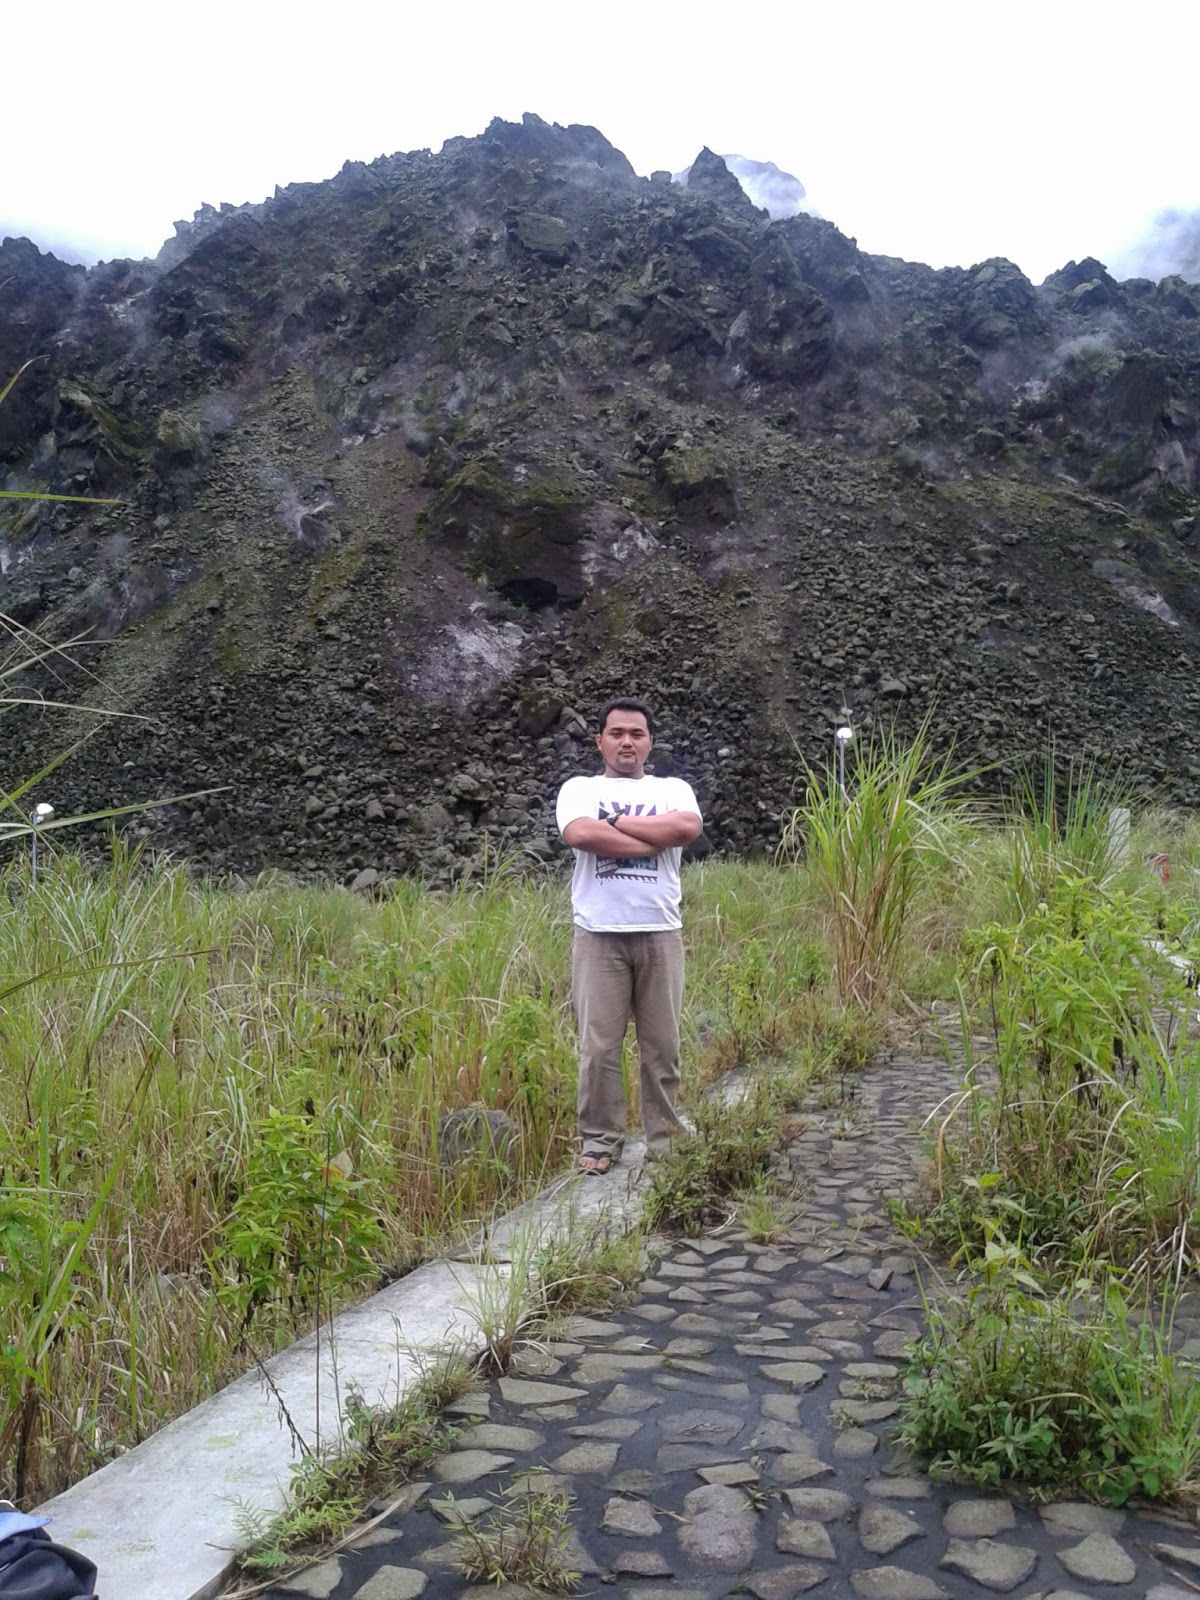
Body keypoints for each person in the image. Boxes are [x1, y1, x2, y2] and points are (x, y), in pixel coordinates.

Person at [555, 698, 704, 1174]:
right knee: (599, 1046)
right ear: (599, 741)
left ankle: (665, 1138)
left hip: (660, 932)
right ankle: (599, 1141)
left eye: (636, 734)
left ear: (649, 743)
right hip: (598, 935)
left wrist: (615, 823)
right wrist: (651, 838)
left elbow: (687, 827)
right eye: (616, 733)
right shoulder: (580, 788)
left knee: (662, 1045)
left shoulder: (673, 788)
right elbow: (580, 834)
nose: (626, 742)